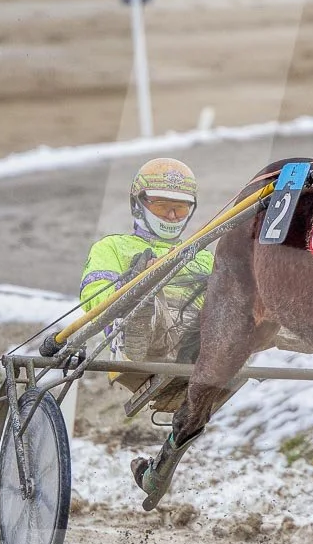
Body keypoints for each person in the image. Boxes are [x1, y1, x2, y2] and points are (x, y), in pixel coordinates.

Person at [80, 157, 214, 399]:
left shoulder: (203, 255)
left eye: (181, 208)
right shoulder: (111, 246)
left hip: (199, 337)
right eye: (163, 207)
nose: (173, 215)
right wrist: (134, 284)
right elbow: (93, 299)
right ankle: (141, 310)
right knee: (150, 294)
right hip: (141, 338)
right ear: (138, 204)